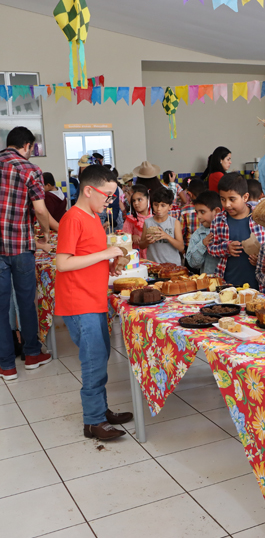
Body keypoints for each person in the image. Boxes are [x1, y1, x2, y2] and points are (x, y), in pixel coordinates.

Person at [55, 165, 132, 440]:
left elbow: (86, 256)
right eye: (107, 195)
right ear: (88, 190)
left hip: (95, 299)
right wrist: (104, 255)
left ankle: (101, 410)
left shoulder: (92, 217)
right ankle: (93, 421)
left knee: (101, 358)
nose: (109, 201)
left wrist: (109, 263)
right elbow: (63, 263)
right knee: (93, 361)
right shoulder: (72, 218)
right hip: (79, 303)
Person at [0, 126, 53, 379]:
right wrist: (44, 233)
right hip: (21, 246)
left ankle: (7, 366)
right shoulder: (30, 169)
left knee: (0, 308)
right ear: (28, 145)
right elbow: (41, 211)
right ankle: (32, 354)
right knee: (26, 303)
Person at [208, 173, 265, 286]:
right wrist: (226, 248)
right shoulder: (218, 220)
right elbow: (211, 248)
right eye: (223, 199)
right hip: (227, 283)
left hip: (258, 284)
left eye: (232, 199)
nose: (227, 204)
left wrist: (261, 260)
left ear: (245, 197)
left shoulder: (261, 218)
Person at [141, 188, 184, 265]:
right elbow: (141, 245)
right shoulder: (148, 222)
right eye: (156, 205)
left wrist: (167, 236)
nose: (158, 209)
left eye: (163, 205)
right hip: (154, 265)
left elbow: (181, 247)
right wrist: (147, 241)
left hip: (173, 265)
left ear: (170, 207)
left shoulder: (174, 222)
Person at [185, 191, 222, 275]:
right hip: (208, 282)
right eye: (197, 212)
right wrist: (202, 244)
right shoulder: (198, 234)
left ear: (217, 211)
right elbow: (193, 264)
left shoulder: (226, 230)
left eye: (202, 212)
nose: (199, 216)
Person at [123, 184, 151, 260]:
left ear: (148, 199)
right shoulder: (131, 219)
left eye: (139, 199)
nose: (136, 203)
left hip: (153, 254)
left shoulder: (154, 218)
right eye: (134, 201)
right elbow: (123, 237)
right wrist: (131, 237)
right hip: (137, 255)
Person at [181, 178, 206, 245]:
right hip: (208, 245)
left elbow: (181, 232)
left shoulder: (185, 210)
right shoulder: (211, 207)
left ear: (190, 194)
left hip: (190, 246)